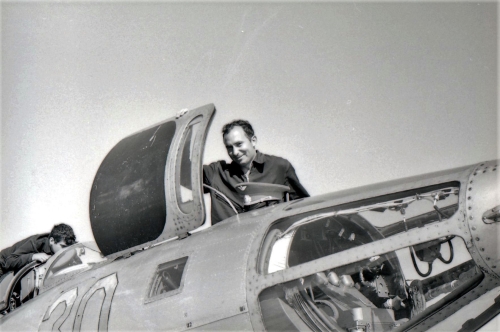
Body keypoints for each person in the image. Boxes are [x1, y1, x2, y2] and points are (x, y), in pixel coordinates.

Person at [203, 120, 309, 225]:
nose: (235, 152)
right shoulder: (216, 173)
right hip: (228, 241)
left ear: (253, 141)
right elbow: (187, 174)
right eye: (229, 147)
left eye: (239, 144)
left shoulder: (279, 167)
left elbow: (302, 206)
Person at [0, 223, 76, 278]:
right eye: (62, 246)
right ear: (52, 241)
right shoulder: (36, 243)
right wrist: (33, 256)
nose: (64, 251)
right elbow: (9, 261)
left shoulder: (59, 246)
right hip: (2, 264)